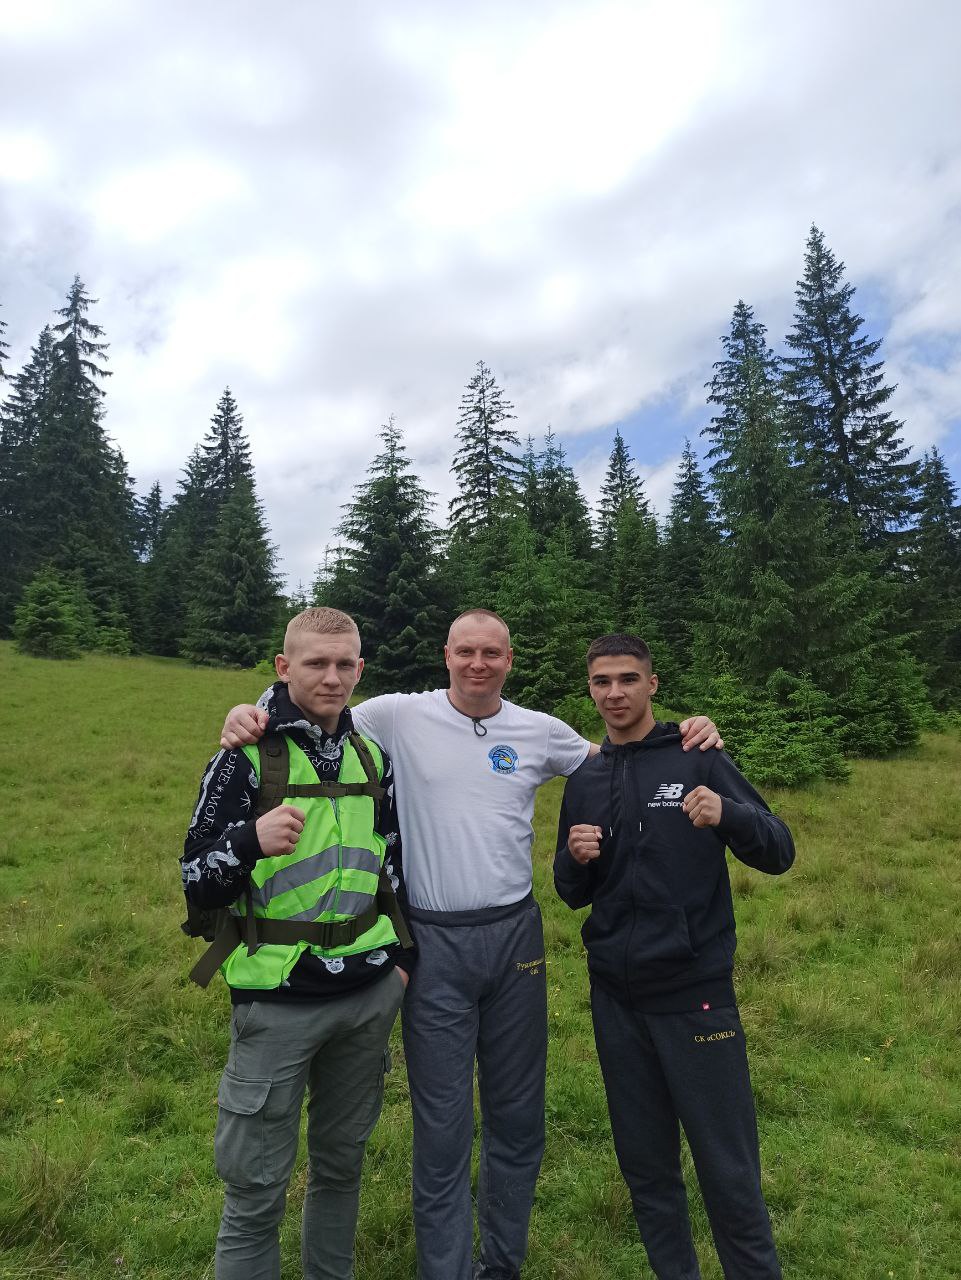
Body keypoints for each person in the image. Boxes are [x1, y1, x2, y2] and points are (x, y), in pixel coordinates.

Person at [220, 609, 722, 1280]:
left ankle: (501, 1264)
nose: (478, 663)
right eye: (465, 651)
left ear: (509, 659)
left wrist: (688, 733)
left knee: (518, 1121)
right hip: (433, 943)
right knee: (443, 1128)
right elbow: (315, 708)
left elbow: (620, 754)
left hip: (516, 941)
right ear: (446, 656)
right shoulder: (398, 715)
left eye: (492, 652)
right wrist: (248, 711)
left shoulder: (538, 731)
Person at [182, 607, 415, 1280]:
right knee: (255, 1191)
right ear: (284, 668)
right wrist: (247, 843)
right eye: (316, 663)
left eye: (346, 664)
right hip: (277, 1003)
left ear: (361, 669)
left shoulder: (371, 754)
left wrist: (400, 964)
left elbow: (392, 868)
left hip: (367, 996)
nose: (332, 677)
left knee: (341, 1172)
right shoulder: (244, 756)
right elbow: (196, 880)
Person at [554, 634, 794, 1280]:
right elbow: (571, 893)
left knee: (727, 1171)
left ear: (652, 685)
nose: (614, 693)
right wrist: (572, 860)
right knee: (647, 1171)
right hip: (615, 1002)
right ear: (590, 688)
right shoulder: (584, 778)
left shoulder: (697, 756)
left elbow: (778, 849)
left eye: (627, 679)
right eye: (601, 681)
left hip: (695, 997)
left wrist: (727, 816)